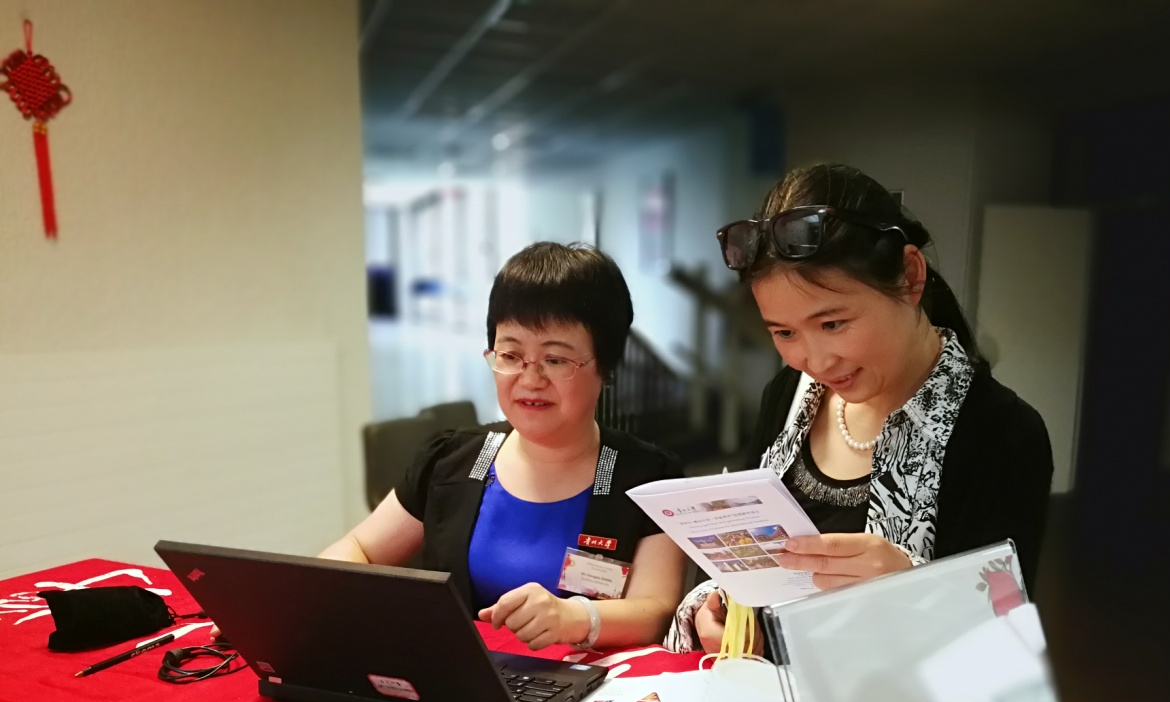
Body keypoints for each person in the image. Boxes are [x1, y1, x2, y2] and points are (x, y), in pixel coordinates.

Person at [668, 164, 1053, 654]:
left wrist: (911, 588)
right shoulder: (788, 395)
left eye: (833, 323)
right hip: (765, 691)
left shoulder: (1001, 432)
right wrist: (720, 606)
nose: (815, 361)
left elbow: (1005, 642)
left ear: (910, 276)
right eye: (784, 333)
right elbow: (749, 553)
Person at [325, 242, 686, 652]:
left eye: (555, 360)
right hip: (464, 680)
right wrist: (309, 592)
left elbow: (655, 610)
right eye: (511, 355)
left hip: (594, 685)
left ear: (605, 366)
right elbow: (360, 549)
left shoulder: (649, 479)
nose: (530, 380)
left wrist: (576, 618)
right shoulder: (450, 460)